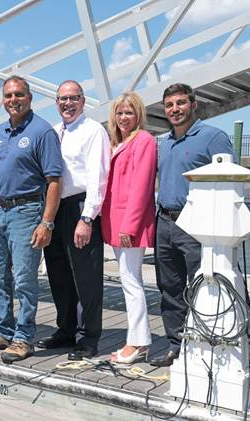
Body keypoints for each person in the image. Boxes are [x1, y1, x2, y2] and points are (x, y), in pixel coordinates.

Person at [0, 75, 63, 363]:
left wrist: (46, 222)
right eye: (8, 96)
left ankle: (23, 337)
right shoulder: (0, 132)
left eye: (19, 95)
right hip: (0, 212)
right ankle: (3, 330)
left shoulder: (42, 132)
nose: (13, 100)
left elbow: (54, 180)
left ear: (30, 97)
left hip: (27, 212)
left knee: (24, 279)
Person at [150, 83, 233, 367]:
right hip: (165, 221)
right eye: (170, 104)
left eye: (181, 103)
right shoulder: (161, 142)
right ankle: (177, 344)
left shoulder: (214, 138)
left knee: (204, 286)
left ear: (193, 104)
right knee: (169, 287)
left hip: (196, 223)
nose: (175, 109)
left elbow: (229, 184)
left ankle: (207, 346)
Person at [39, 80, 110, 361]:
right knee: (59, 274)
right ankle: (65, 330)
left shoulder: (94, 131)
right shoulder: (55, 132)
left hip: (80, 207)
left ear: (83, 101)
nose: (67, 104)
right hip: (55, 207)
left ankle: (88, 338)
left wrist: (87, 217)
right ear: (56, 102)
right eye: (62, 99)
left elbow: (98, 178)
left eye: (73, 98)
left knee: (86, 277)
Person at [101, 92, 156, 364]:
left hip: (128, 224)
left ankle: (138, 341)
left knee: (131, 281)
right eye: (120, 113)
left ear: (139, 115)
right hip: (114, 221)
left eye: (129, 112)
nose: (124, 118)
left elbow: (142, 187)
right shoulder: (117, 143)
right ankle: (136, 339)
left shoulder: (144, 141)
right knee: (128, 280)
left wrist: (130, 226)